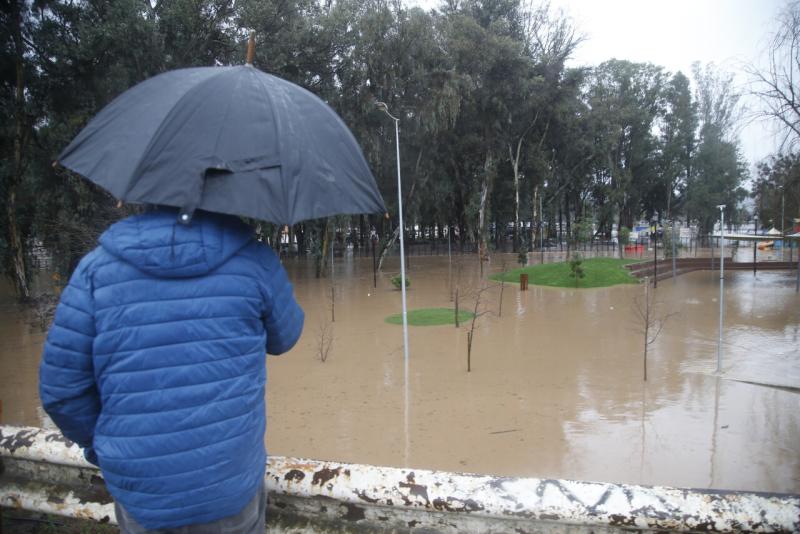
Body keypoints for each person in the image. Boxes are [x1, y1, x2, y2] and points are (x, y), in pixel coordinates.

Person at [39, 207, 304, 532]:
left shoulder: (95, 270)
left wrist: (106, 448)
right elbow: (286, 337)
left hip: (142, 490)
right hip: (230, 481)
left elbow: (61, 391)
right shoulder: (254, 260)